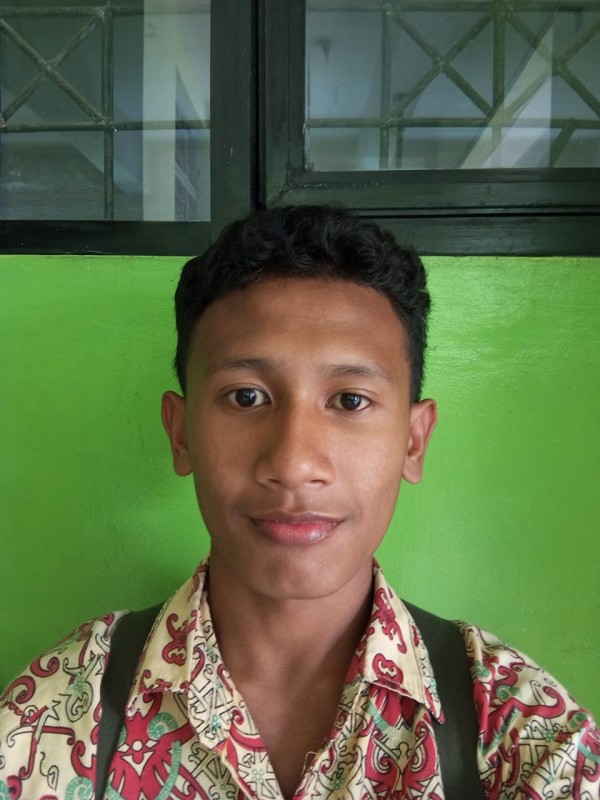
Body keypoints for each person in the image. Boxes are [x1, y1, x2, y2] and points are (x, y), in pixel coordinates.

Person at [0, 206, 598, 800]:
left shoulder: (522, 732)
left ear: (413, 442)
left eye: (350, 400)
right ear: (180, 434)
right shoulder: (53, 717)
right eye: (246, 396)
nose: (293, 463)